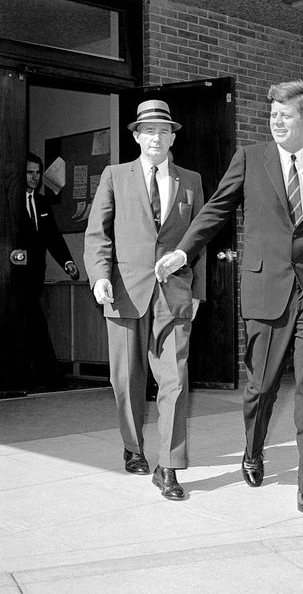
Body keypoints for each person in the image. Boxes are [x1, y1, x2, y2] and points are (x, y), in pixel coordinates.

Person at [156, 80, 303, 524]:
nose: (276, 121)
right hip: (266, 292)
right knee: (261, 387)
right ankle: (253, 449)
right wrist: (184, 250)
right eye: (272, 115)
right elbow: (216, 209)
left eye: (285, 115)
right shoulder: (250, 158)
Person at [83, 100, 206, 500]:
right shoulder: (114, 176)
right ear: (136, 136)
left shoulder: (191, 181)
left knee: (174, 379)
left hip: (173, 295)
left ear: (173, 137)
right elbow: (97, 234)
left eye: (163, 130)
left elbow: (199, 240)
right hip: (123, 292)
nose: (156, 137)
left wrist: (198, 291)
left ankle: (168, 466)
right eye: (148, 130)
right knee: (127, 379)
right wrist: (99, 277)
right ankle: (133, 446)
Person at [23, 152, 80, 388]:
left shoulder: (43, 202)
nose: (34, 178)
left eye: (38, 173)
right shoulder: (9, 200)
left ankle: (38, 374)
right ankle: (48, 375)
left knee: (31, 322)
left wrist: (67, 262)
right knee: (32, 322)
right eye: (30, 172)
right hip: (13, 277)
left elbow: (53, 238)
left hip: (36, 275)